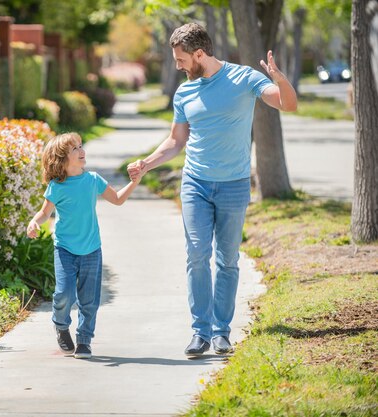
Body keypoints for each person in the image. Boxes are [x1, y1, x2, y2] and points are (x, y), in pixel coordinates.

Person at [127, 23, 297, 358]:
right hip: (195, 184)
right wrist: (147, 163)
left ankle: (221, 333)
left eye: (181, 59)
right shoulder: (184, 92)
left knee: (228, 259)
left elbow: (287, 105)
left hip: (234, 185)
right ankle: (199, 333)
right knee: (197, 255)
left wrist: (279, 77)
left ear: (200, 54)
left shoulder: (243, 78)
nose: (178, 65)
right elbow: (177, 141)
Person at [27, 132, 140, 359]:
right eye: (75, 149)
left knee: (89, 300)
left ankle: (84, 340)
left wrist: (134, 182)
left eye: (81, 146)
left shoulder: (93, 180)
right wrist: (34, 222)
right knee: (64, 293)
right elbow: (44, 212)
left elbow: (117, 199)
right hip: (65, 249)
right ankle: (60, 324)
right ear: (62, 159)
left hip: (91, 249)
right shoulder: (57, 187)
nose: (81, 151)